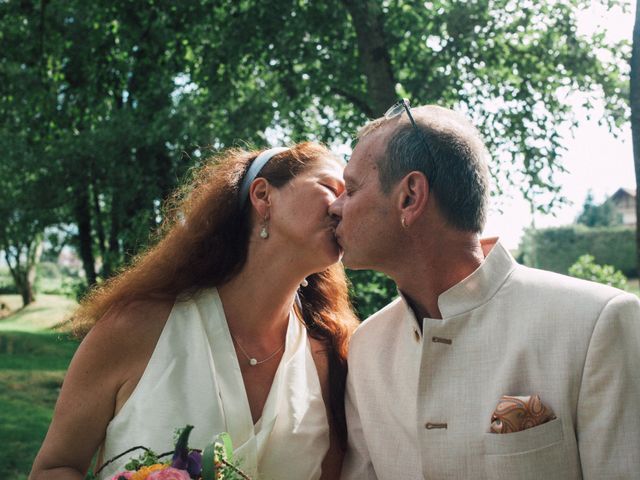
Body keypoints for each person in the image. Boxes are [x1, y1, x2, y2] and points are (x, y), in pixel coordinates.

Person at [329, 101, 640, 479]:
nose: (335, 206)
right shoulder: (366, 349)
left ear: (410, 196)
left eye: (353, 188)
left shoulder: (596, 323)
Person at [30, 142, 358, 480]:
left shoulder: (328, 357)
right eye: (330, 187)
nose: (344, 207)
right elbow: (54, 467)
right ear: (263, 197)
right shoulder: (137, 327)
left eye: (352, 195)